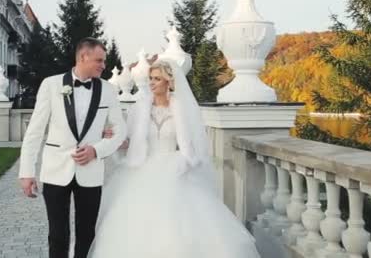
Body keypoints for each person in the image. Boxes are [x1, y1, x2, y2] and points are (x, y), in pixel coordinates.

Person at [90, 59, 261, 258]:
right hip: (143, 168)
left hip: (176, 167)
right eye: (150, 79)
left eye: (157, 79)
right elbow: (129, 140)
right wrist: (112, 138)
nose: (152, 83)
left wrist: (186, 162)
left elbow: (195, 143)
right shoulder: (140, 107)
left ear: (168, 82)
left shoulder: (182, 107)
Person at [18, 37, 126, 258]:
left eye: (103, 61)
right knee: (58, 234)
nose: (103, 65)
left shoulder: (108, 90)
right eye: (99, 60)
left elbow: (120, 130)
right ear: (83, 56)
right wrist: (26, 172)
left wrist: (97, 150)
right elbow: (35, 131)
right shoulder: (51, 84)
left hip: (91, 171)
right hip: (55, 169)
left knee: (87, 234)